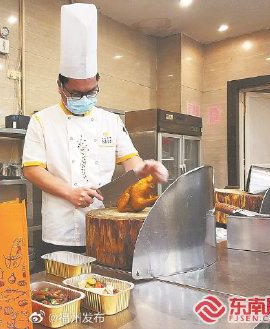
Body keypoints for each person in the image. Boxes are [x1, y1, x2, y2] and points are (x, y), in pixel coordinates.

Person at [22, 3, 168, 254]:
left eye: (91, 92)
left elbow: (130, 160)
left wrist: (145, 169)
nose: (85, 97)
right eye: (76, 93)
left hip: (106, 224)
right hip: (60, 227)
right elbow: (32, 170)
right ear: (60, 86)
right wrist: (69, 192)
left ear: (98, 83)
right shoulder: (42, 120)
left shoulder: (110, 121)